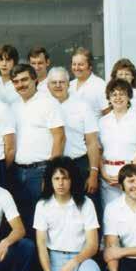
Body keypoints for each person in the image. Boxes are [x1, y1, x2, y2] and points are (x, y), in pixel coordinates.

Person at [32, 156, 100, 271]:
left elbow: (93, 245)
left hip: (81, 258)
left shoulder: (85, 203)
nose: (60, 183)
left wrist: (74, 262)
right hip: (55, 259)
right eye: (56, 178)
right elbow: (41, 245)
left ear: (72, 180)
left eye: (65, 178)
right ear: (50, 181)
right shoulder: (43, 205)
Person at [10, 64, 65, 236]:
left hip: (41, 171)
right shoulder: (13, 106)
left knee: (44, 220)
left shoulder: (49, 103)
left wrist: (50, 173)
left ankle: (44, 254)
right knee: (24, 220)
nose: (21, 84)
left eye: (24, 79)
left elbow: (59, 137)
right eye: (16, 81)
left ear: (35, 79)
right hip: (18, 171)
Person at [46, 67, 100, 207]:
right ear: (47, 85)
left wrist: (93, 173)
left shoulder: (82, 106)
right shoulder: (42, 107)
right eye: (54, 82)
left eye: (62, 82)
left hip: (79, 165)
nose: (58, 85)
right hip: (52, 167)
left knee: (85, 208)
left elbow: (92, 142)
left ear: (68, 84)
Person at [98, 78, 136, 210]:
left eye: (122, 94)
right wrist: (103, 173)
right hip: (108, 177)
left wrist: (127, 174)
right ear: (109, 98)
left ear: (129, 97)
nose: (118, 98)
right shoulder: (102, 122)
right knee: (110, 214)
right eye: (114, 94)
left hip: (131, 176)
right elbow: (98, 150)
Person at [69, 47, 109, 119]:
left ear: (90, 66)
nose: (76, 68)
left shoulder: (100, 85)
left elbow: (108, 114)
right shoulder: (69, 85)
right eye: (74, 64)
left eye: (81, 64)